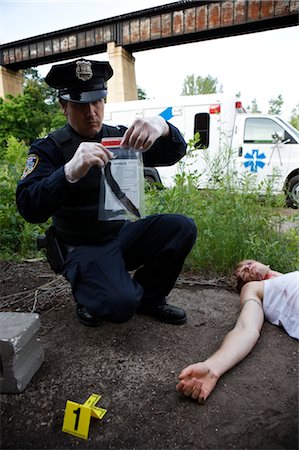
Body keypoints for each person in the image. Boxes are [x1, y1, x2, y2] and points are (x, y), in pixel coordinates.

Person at [16, 58, 197, 327]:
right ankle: (91, 294)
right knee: (120, 304)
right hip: (81, 244)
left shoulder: (119, 138)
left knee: (181, 227)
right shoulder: (49, 149)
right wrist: (67, 172)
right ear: (64, 106)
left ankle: (149, 297)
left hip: (120, 234)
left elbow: (173, 152)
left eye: (97, 101)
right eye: (80, 104)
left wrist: (162, 126)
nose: (91, 112)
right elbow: (29, 206)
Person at [176, 263, 298, 404]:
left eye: (248, 263)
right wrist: (213, 367)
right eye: (242, 275)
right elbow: (246, 328)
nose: (246, 268)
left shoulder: (289, 277)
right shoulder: (254, 289)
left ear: (265, 264)